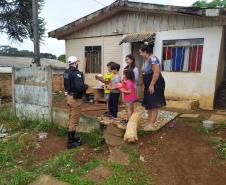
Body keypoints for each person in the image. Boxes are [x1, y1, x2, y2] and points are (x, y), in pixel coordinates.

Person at [139, 44, 166, 131]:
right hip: (148, 84)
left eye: (140, 52)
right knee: (149, 104)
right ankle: (149, 122)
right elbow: (144, 73)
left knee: (154, 104)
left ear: (145, 51)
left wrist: (151, 85)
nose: (139, 54)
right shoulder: (145, 60)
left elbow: (156, 72)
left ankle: (151, 124)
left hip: (156, 84)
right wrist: (144, 84)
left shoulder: (153, 58)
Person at [63, 56, 88, 149]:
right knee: (74, 120)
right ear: (75, 63)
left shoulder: (66, 72)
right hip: (75, 99)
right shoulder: (77, 73)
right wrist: (85, 86)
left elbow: (67, 84)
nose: (77, 64)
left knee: (70, 116)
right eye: (77, 62)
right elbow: (80, 87)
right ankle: (70, 142)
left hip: (69, 97)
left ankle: (72, 137)